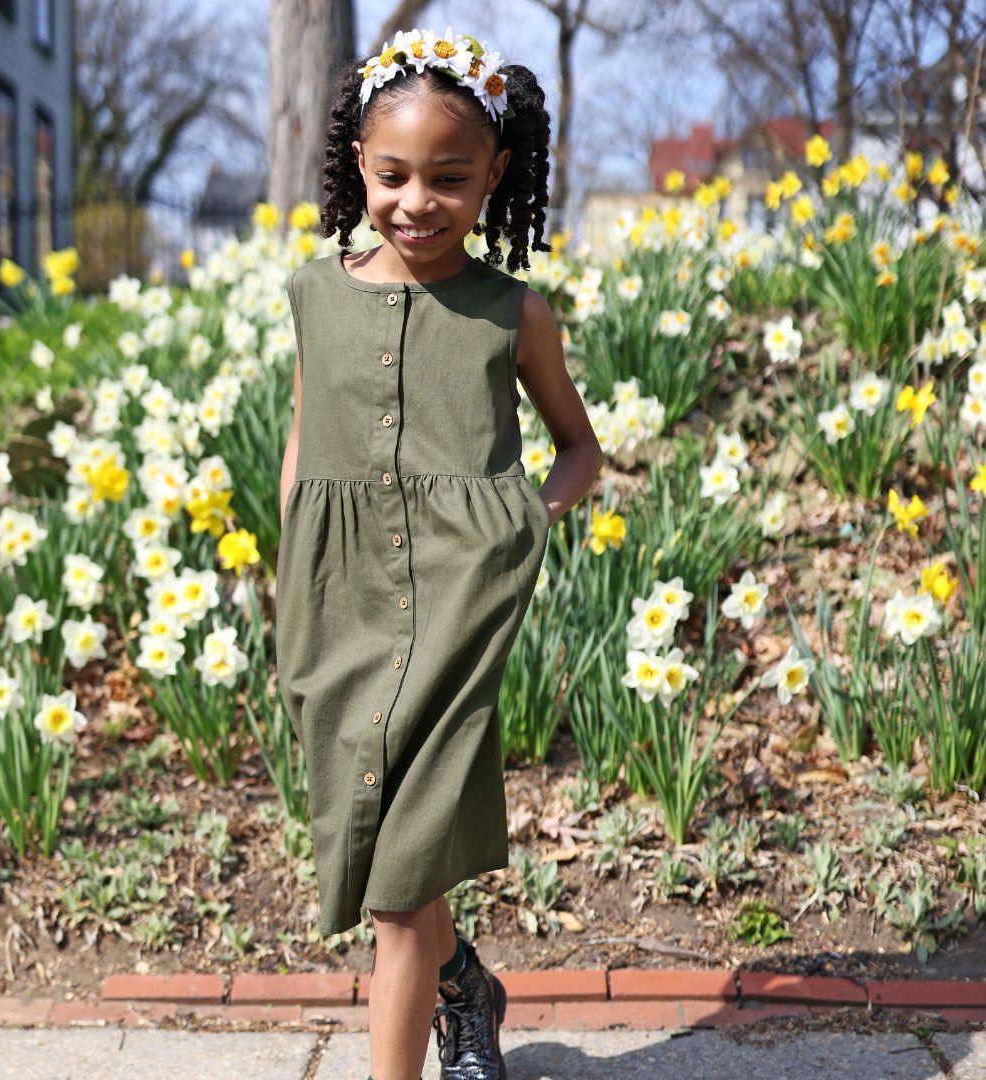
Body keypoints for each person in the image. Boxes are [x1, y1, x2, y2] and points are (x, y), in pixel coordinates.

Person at [274, 26, 602, 1080]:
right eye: (393, 174)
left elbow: (580, 451)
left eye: (451, 179)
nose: (419, 201)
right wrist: (290, 592)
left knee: (399, 892)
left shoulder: (514, 313)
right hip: (338, 608)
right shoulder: (316, 298)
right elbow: (299, 448)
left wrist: (527, 520)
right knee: (382, 861)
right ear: (357, 168)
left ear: (496, 175)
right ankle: (467, 988)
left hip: (461, 613)